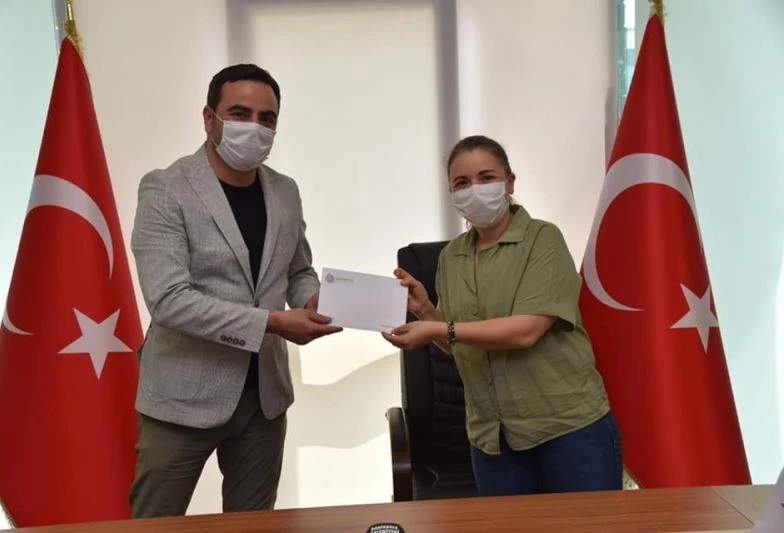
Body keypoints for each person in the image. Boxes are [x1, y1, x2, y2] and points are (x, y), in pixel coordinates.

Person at [129, 63, 342, 517]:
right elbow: (169, 300)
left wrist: (310, 298)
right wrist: (273, 322)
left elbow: (298, 270)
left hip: (265, 399)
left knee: (254, 525)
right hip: (182, 398)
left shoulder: (285, 191)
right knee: (153, 524)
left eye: (267, 118)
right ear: (209, 118)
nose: (254, 127)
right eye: (240, 114)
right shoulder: (165, 188)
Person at [382, 135, 623, 496]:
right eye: (461, 183)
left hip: (568, 431)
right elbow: (459, 345)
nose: (474, 190)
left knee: (590, 524)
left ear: (510, 183)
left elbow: (526, 330)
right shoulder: (451, 258)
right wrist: (426, 312)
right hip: (493, 440)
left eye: (486, 178)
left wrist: (438, 328)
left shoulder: (543, 239)